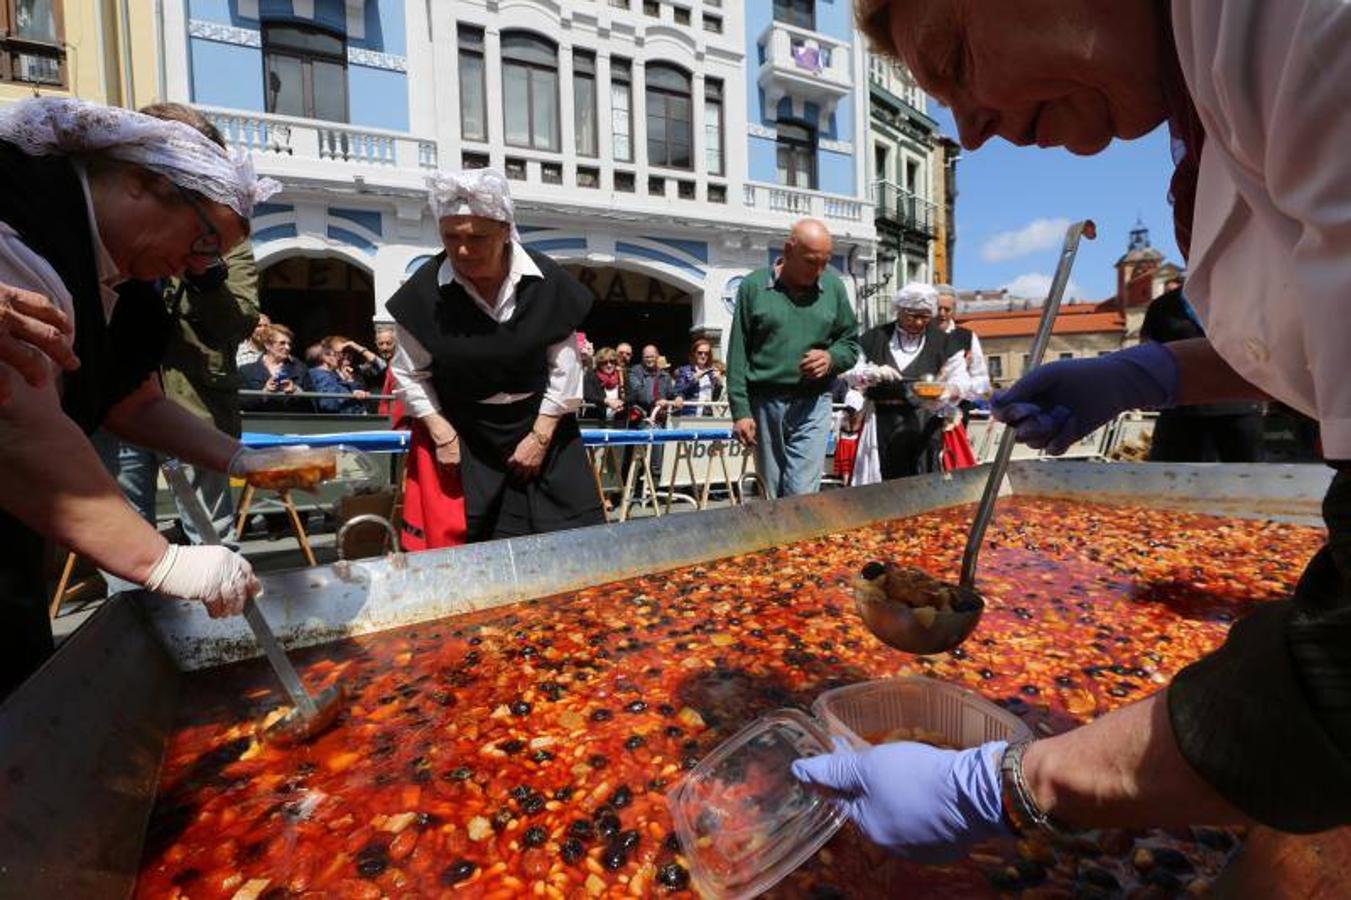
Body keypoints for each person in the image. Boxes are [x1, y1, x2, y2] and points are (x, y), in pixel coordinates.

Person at [793, 0, 1351, 860]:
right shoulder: (1221, 81)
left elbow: (1340, 673)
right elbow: (1321, 331)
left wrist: (1021, 782)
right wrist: (1156, 373)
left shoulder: (1303, 31)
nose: (968, 131)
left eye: (955, 58)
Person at [0, 97, 287, 696]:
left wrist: (240, 460)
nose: (195, 267)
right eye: (206, 241)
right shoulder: (18, 216)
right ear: (142, 183)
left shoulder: (130, 290)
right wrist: (163, 561)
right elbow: (15, 432)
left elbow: (135, 403)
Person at [388, 168, 604, 546]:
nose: (463, 249)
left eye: (477, 237)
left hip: (545, 426)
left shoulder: (547, 282)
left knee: (575, 541)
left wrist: (539, 436)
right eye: (450, 236)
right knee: (480, 546)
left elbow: (564, 369)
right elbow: (410, 373)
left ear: (505, 230)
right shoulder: (423, 294)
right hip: (466, 437)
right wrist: (442, 434)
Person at [97, 237, 261, 549]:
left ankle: (221, 594)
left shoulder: (228, 244)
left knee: (212, 537)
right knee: (126, 529)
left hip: (194, 405)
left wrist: (207, 277)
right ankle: (135, 599)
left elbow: (238, 324)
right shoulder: (116, 233)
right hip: (115, 400)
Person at [725, 218, 861, 498]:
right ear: (788, 250)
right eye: (812, 261)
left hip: (814, 401)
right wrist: (740, 410)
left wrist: (831, 357)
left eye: (826, 261)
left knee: (801, 492)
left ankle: (799, 542)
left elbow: (850, 344)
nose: (820, 270)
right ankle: (777, 542)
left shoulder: (833, 289)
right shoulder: (753, 286)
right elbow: (738, 353)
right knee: (772, 492)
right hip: (765, 403)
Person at [843, 283, 971, 483]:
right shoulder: (875, 338)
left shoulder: (944, 342)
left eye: (925, 316)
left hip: (925, 422)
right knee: (884, 484)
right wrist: (871, 373)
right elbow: (848, 372)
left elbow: (962, 380)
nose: (919, 322)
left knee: (924, 481)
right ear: (900, 310)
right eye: (912, 316)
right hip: (882, 422)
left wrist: (946, 390)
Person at [1140, 286, 1265, 462]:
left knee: (1246, 483)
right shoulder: (1163, 306)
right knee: (1173, 482)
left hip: (1239, 412)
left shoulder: (1247, 301)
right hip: (1181, 412)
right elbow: (1149, 355)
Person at [239, 323, 312, 412]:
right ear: (267, 345)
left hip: (291, 422)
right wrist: (264, 393)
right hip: (259, 422)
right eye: (282, 343)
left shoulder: (300, 369)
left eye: (289, 344)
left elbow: (313, 403)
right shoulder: (246, 371)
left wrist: (296, 390)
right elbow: (241, 403)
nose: (287, 347)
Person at [307, 335, 373, 414]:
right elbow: (329, 403)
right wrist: (351, 395)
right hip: (342, 421)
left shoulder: (338, 373)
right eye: (336, 354)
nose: (340, 357)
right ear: (325, 357)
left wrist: (351, 383)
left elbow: (378, 366)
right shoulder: (320, 375)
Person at [673, 338, 723, 416]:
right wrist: (694, 379)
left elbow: (715, 399)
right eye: (700, 353)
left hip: (707, 415)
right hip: (690, 414)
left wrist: (719, 383)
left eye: (706, 353)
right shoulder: (685, 371)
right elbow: (677, 391)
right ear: (694, 353)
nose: (703, 356)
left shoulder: (711, 373)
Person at [583, 346, 627, 427]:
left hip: (617, 423)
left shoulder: (622, 376)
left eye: (612, 362)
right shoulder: (591, 375)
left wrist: (622, 403)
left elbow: (632, 394)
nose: (609, 365)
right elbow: (587, 394)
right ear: (599, 364)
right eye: (605, 362)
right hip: (595, 422)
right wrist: (606, 401)